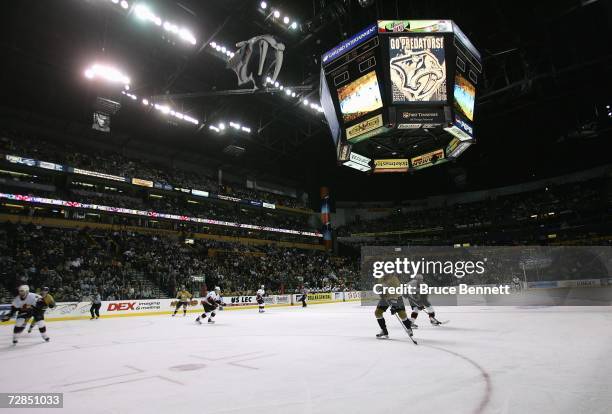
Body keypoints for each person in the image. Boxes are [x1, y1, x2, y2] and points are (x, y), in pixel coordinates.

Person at [375, 275, 414, 340]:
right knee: (378, 313)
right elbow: (379, 287)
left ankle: (409, 328)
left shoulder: (394, 279)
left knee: (402, 314)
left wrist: (394, 306)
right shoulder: (380, 278)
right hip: (385, 297)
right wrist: (380, 292)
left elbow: (396, 292)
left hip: (396, 297)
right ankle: (384, 331)